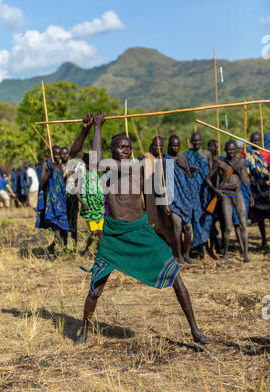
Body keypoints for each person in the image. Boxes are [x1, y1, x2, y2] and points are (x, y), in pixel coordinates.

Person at [75, 112, 211, 346]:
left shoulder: (137, 168)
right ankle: (84, 331)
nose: (126, 150)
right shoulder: (107, 167)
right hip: (115, 234)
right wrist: (89, 129)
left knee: (176, 275)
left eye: (128, 147)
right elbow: (75, 154)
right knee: (95, 288)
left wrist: (185, 167)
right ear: (112, 150)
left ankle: (195, 331)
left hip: (140, 230)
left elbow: (167, 169)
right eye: (121, 147)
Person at [206, 141, 250, 262]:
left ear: (236, 150)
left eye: (233, 150)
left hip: (238, 195)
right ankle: (225, 253)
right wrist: (215, 190)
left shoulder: (241, 162)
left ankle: (245, 254)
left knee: (243, 225)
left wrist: (240, 169)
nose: (231, 152)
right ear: (225, 150)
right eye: (229, 150)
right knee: (228, 227)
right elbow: (208, 178)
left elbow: (246, 182)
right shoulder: (220, 163)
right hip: (225, 196)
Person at [69, 121, 105, 256]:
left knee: (99, 232)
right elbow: (77, 190)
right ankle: (95, 252)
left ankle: (90, 250)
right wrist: (82, 203)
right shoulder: (81, 173)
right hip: (88, 207)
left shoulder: (100, 169)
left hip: (99, 207)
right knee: (96, 232)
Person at [184, 132, 215, 260]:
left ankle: (211, 248)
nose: (196, 143)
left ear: (201, 141)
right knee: (197, 220)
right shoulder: (187, 154)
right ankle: (203, 250)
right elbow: (184, 172)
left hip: (207, 191)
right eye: (194, 141)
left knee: (209, 219)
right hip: (194, 192)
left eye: (198, 140)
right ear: (191, 141)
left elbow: (213, 170)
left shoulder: (207, 154)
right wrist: (190, 170)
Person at [162, 135, 193, 264]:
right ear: (169, 146)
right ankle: (179, 255)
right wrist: (164, 203)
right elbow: (161, 182)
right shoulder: (165, 160)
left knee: (188, 229)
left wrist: (186, 168)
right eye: (173, 145)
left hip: (185, 199)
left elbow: (190, 178)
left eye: (177, 145)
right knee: (177, 227)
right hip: (172, 200)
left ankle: (187, 255)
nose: (175, 148)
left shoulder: (182, 158)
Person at [35, 146, 70, 256]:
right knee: (56, 227)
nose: (58, 157)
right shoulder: (46, 164)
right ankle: (62, 251)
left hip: (61, 200)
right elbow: (41, 182)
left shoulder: (59, 165)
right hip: (50, 200)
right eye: (56, 154)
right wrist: (50, 170)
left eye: (59, 154)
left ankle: (51, 248)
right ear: (51, 154)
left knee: (63, 228)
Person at [142, 136, 173, 245]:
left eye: (160, 146)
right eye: (155, 146)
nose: (157, 148)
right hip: (150, 195)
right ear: (152, 145)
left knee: (166, 223)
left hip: (164, 194)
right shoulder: (146, 158)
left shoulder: (165, 158)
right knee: (153, 221)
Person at [245, 132, 270, 249]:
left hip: (267, 188)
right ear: (250, 141)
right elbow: (246, 174)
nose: (256, 143)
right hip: (255, 190)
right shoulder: (248, 155)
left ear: (261, 141)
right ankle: (264, 240)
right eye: (253, 140)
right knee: (260, 219)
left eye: (258, 140)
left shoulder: (266, 154)